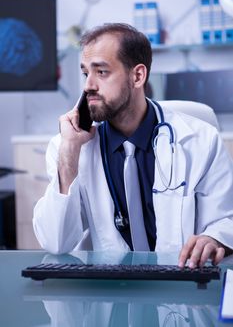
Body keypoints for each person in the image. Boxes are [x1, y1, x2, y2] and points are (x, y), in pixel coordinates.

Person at [33, 23, 233, 268]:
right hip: (111, 292)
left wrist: (214, 238)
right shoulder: (69, 147)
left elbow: (225, 219)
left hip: (181, 283)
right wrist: (69, 155)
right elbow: (55, 243)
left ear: (138, 76)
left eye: (102, 72)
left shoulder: (201, 140)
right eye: (86, 73)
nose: (88, 86)